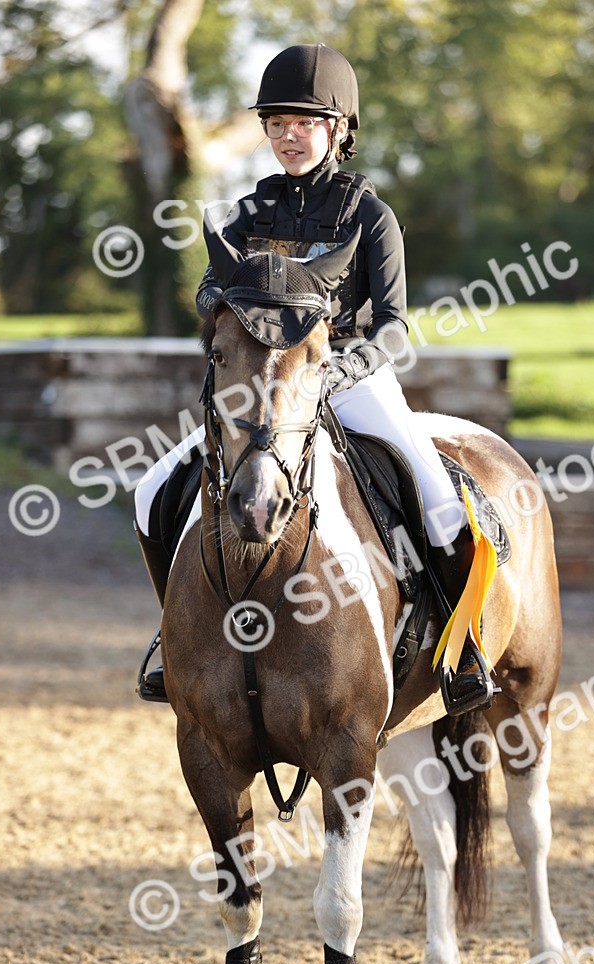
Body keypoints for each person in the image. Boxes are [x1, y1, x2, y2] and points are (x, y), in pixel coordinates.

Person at [134, 42, 494, 714]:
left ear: (338, 129)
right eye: (276, 124)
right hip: (260, 387)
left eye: (303, 123)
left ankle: (462, 647)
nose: (288, 136)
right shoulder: (245, 216)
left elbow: (392, 326)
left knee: (440, 498)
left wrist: (333, 372)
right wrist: (219, 305)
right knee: (152, 489)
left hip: (349, 378)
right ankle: (173, 639)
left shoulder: (371, 218)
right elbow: (208, 292)